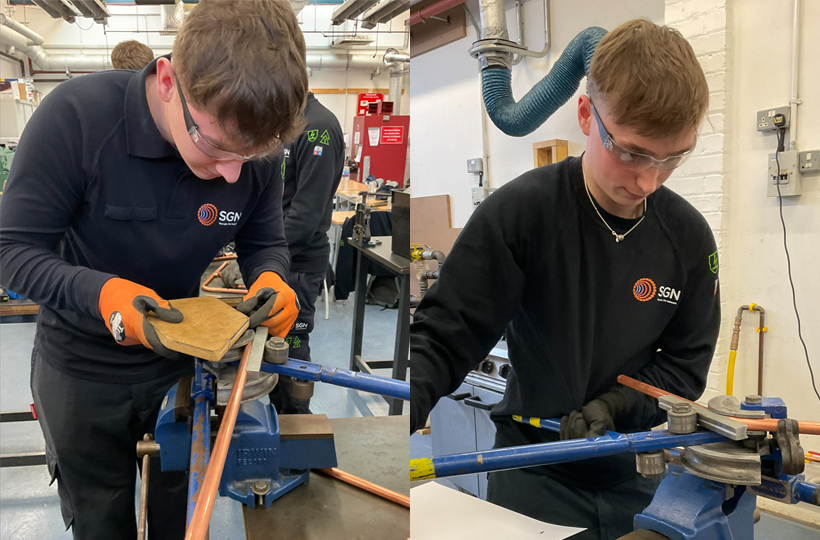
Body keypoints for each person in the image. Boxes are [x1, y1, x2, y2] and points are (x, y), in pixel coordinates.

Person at [0, 1, 307, 538]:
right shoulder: (76, 119)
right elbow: (12, 249)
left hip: (181, 369)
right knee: (100, 518)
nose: (233, 174)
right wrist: (100, 294)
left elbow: (264, 240)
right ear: (168, 80)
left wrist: (271, 276)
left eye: (251, 156)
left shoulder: (251, 147)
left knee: (180, 513)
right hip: (81, 370)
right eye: (214, 147)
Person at [410, 19, 720, 540]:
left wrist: (618, 406)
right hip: (534, 466)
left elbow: (687, 367)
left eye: (672, 159)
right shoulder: (520, 213)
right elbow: (442, 339)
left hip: (637, 467)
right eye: (632, 152)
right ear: (585, 115)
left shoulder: (687, 239)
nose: (648, 180)